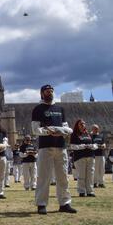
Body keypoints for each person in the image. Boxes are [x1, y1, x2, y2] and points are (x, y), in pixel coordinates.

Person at [32, 84, 76, 214]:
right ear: (42, 93)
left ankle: (65, 203)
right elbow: (35, 130)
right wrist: (49, 132)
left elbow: (67, 128)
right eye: (47, 91)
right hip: (45, 147)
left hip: (61, 146)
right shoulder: (38, 109)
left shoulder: (60, 109)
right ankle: (41, 204)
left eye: (51, 91)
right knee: (44, 177)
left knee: (63, 176)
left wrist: (57, 130)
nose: (49, 93)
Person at [70, 120, 97, 197]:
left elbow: (93, 144)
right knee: (81, 175)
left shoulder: (88, 134)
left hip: (90, 156)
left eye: (84, 124)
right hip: (80, 157)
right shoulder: (74, 134)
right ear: (77, 125)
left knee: (90, 175)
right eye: (81, 124)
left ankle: (90, 191)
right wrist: (83, 146)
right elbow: (72, 146)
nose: (83, 125)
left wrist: (93, 146)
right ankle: (81, 191)